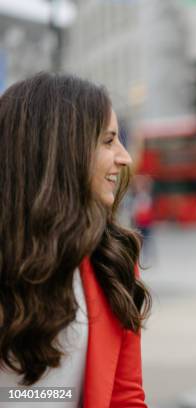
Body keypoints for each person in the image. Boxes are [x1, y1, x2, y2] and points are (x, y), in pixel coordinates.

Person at [0, 72, 151, 407]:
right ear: (62, 148)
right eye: (109, 140)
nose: (124, 157)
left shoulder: (112, 260)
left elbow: (125, 396)